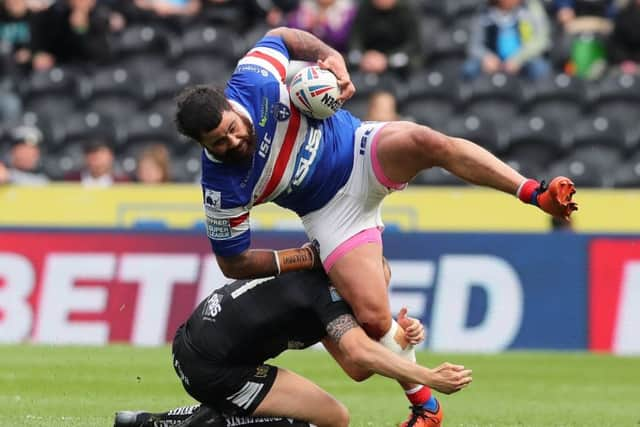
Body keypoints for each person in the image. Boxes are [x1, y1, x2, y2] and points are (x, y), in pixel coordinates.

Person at [174, 26, 577, 426]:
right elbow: (234, 261)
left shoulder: (253, 79)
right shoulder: (222, 186)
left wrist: (333, 58)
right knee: (375, 319)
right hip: (332, 214)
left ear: (231, 105)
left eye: (231, 128)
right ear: (202, 146)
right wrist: (300, 257)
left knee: (428, 142)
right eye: (218, 143)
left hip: (360, 148)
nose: (232, 142)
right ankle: (427, 408)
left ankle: (533, 192)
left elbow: (283, 36)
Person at [114, 263, 473, 427]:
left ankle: (152, 423)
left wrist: (398, 338)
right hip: (211, 367)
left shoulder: (325, 285)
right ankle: (188, 425)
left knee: (326, 415)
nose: (378, 300)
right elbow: (360, 353)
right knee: (331, 419)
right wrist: (426, 376)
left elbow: (357, 371)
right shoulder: (326, 298)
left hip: (195, 347)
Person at [463, 0, 552, 81]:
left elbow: (541, 40)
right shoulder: (483, 12)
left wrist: (518, 59)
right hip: (493, 59)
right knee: (469, 68)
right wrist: (486, 57)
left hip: (523, 58)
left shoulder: (531, 8)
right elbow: (474, 45)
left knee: (540, 68)